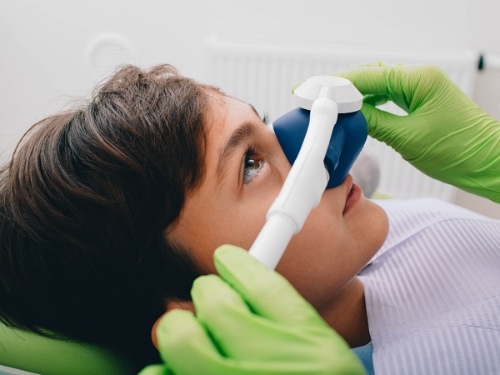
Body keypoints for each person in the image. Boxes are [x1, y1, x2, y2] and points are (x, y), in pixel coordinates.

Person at [0, 63, 498, 374]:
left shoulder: (387, 233)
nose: (312, 142)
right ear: (202, 304)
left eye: (265, 123)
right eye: (250, 164)